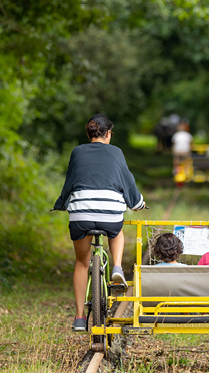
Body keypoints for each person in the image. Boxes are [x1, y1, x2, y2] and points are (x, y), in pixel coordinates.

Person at [54, 114, 147, 332]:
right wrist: (138, 203)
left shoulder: (77, 152)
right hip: (110, 213)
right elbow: (128, 183)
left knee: (81, 263)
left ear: (89, 134)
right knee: (117, 229)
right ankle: (117, 267)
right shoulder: (116, 152)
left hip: (81, 214)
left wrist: (61, 204)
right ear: (108, 134)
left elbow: (70, 183)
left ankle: (78, 318)